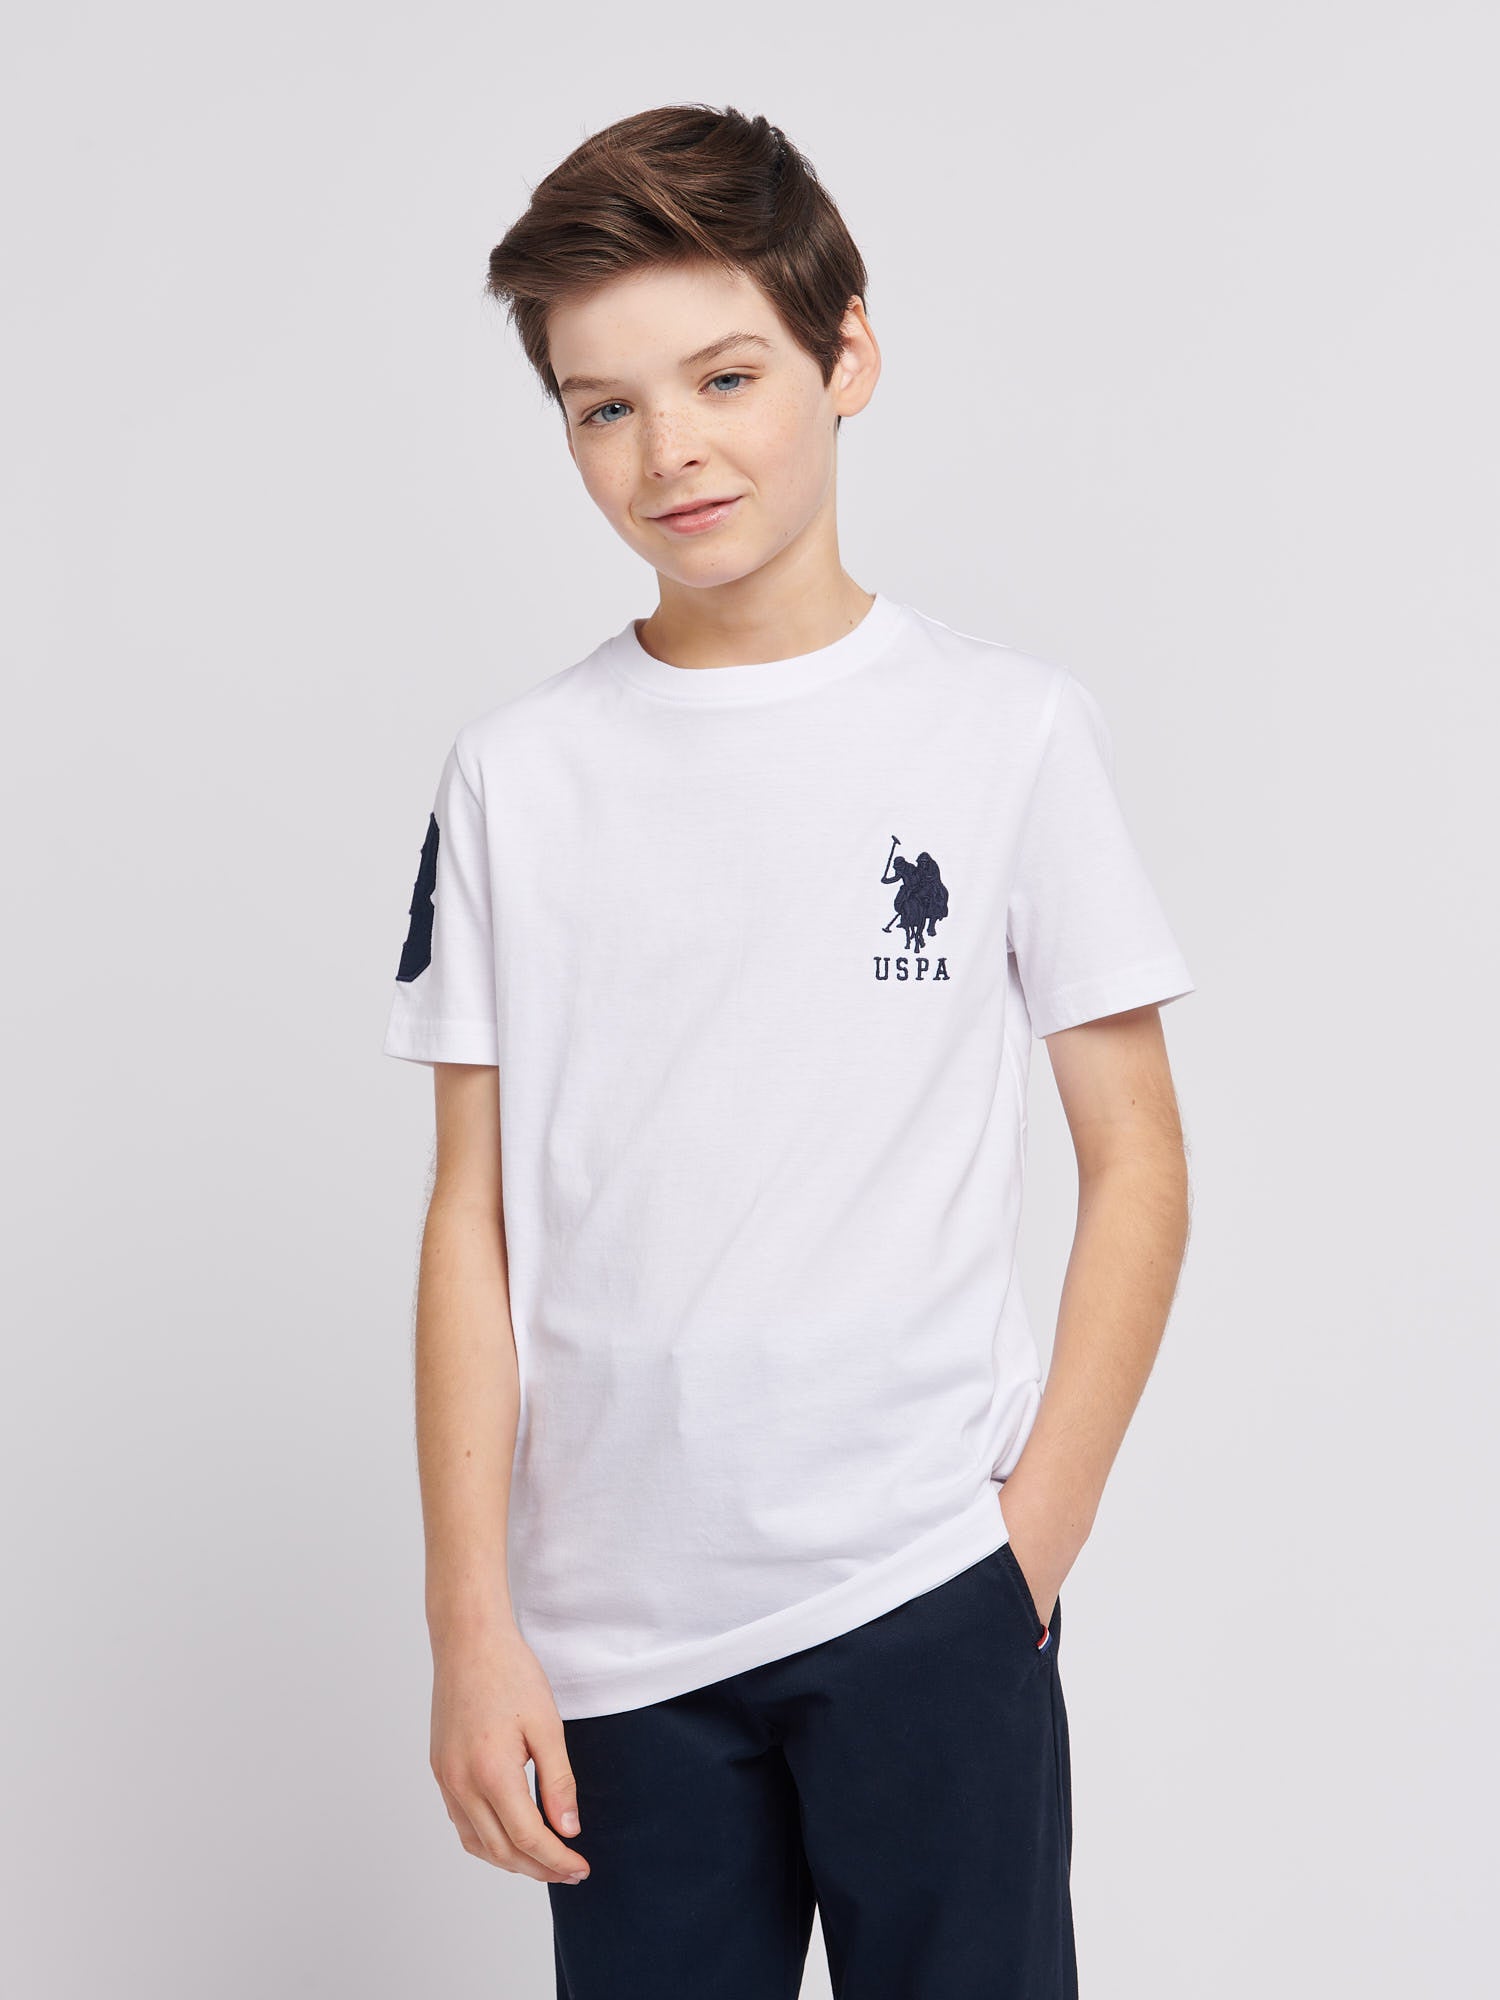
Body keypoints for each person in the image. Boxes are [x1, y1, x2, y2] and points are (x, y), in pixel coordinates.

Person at [384, 101, 1196, 2000]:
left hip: (924, 1587)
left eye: (725, 376)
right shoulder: (516, 777)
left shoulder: (1007, 733)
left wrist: (1029, 1544)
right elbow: (467, 1220)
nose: (670, 447)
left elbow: (1139, 1159)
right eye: (603, 405)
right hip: (615, 1648)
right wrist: (471, 1626)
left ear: (850, 357)